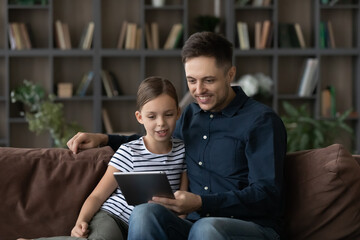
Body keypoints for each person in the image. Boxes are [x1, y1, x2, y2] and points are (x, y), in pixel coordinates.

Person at [67, 32, 287, 240]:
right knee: (145, 213)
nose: (199, 90)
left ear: (230, 74)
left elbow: (266, 194)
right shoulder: (191, 115)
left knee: (206, 228)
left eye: (208, 80)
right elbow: (157, 138)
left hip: (250, 227)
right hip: (193, 225)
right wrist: (103, 139)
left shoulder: (261, 121)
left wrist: (202, 203)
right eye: (192, 80)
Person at [18, 76, 187, 240]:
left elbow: (182, 201)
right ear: (139, 117)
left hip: (148, 225)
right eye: (152, 116)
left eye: (168, 114)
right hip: (114, 217)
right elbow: (97, 196)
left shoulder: (182, 152)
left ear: (178, 113)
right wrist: (81, 221)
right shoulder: (128, 151)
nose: (161, 123)